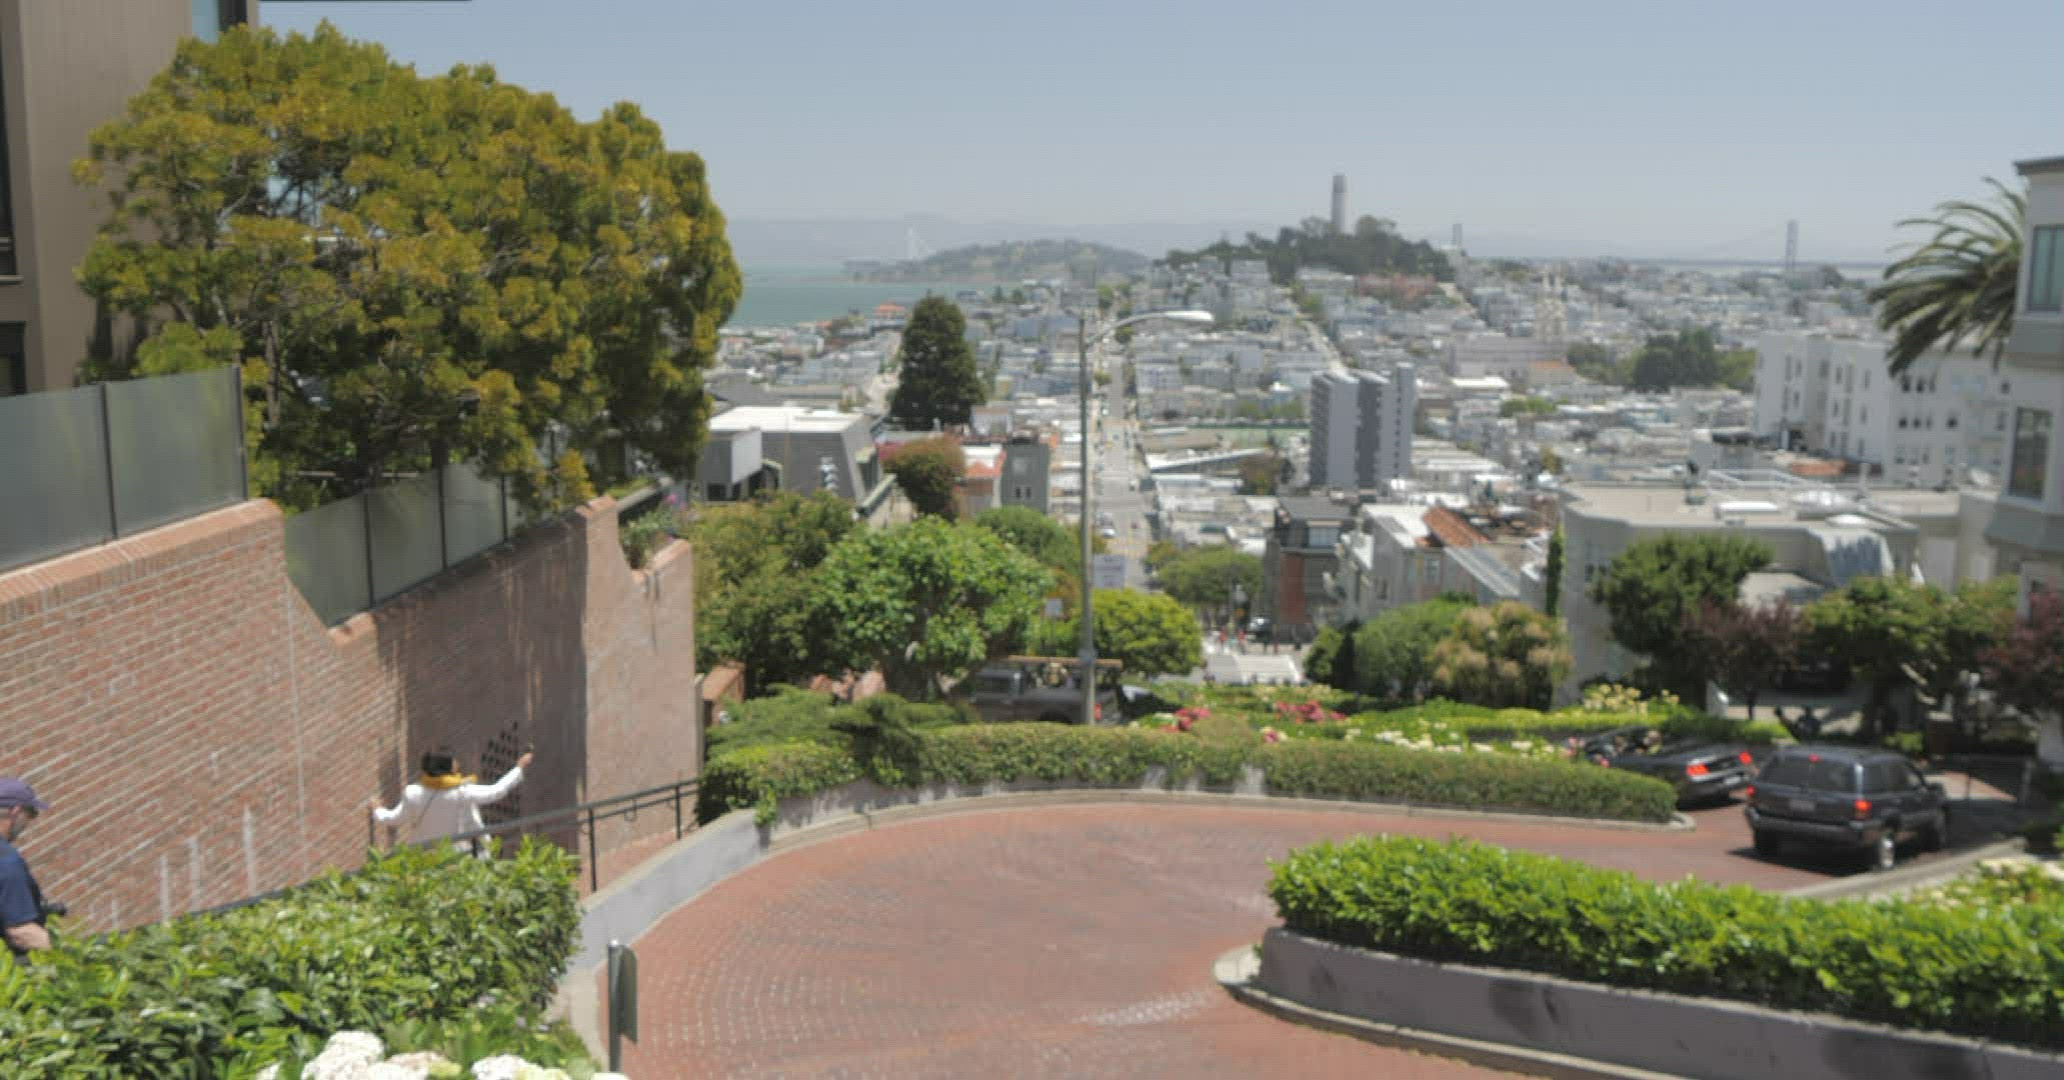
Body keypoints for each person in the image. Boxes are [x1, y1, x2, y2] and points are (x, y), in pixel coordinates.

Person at [370, 749, 533, 855]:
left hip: (425, 855)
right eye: (454, 761)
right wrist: (519, 768)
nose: (457, 764)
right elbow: (497, 791)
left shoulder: (413, 792)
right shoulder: (462, 792)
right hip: (458, 854)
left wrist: (378, 810)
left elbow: (394, 819)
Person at [1, 777, 52, 959]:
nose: (31, 820)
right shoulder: (6, 862)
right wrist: (68, 956)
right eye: (31, 813)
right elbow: (21, 932)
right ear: (16, 811)